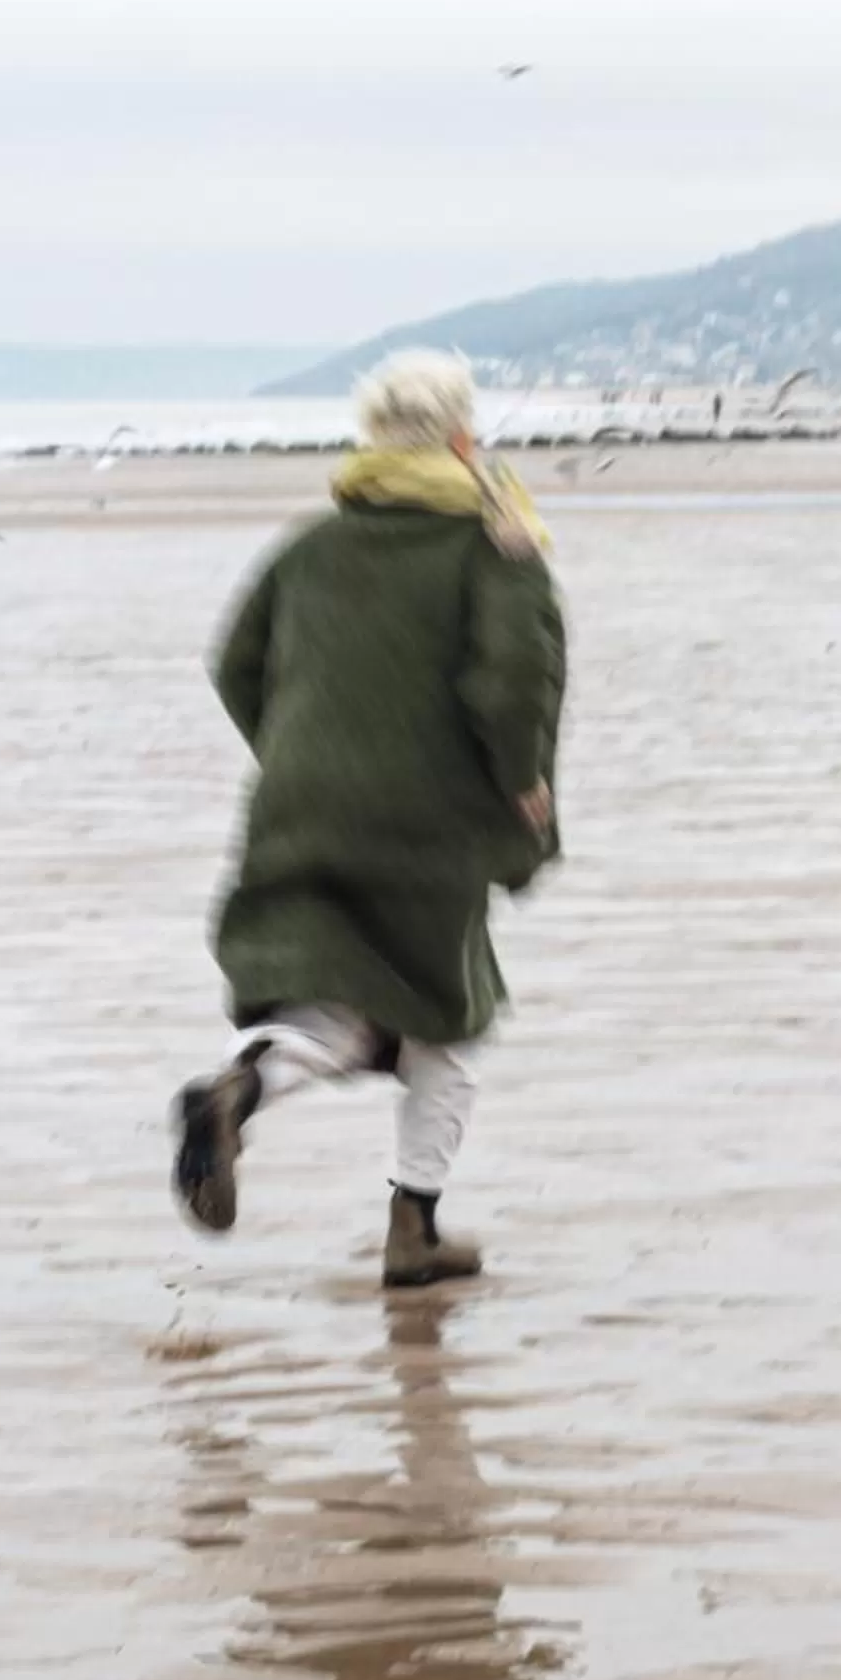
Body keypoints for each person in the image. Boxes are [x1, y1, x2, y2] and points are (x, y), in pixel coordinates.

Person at [172, 349, 566, 1288]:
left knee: (334, 1004)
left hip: (301, 803)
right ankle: (413, 1231)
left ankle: (235, 1092)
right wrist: (523, 785)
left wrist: (306, 753)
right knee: (443, 1022)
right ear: (463, 436)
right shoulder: (489, 545)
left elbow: (236, 664)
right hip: (428, 822)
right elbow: (513, 679)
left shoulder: (309, 547)